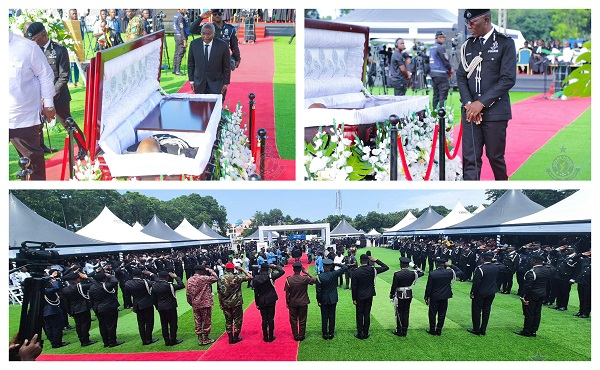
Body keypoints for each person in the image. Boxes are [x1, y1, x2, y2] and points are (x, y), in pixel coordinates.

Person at [456, 9, 516, 181]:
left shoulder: (505, 43)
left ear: (486, 20)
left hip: (495, 112)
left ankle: (504, 193)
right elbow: (461, 76)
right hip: (470, 113)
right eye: (467, 22)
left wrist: (480, 103)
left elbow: (508, 79)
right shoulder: (468, 45)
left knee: (495, 158)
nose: (469, 26)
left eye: (472, 22)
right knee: (470, 160)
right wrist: (469, 103)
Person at [25, 22, 88, 161]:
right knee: (37, 126)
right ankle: (41, 148)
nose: (32, 42)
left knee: (68, 123)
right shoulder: (34, 51)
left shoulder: (59, 50)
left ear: (43, 35)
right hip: (38, 97)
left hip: (59, 97)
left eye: (33, 39)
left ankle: (83, 147)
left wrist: (49, 96)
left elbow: (64, 76)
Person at [9, 29, 56, 180]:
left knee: (33, 165)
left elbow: (46, 75)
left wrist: (48, 105)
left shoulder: (27, 47)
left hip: (23, 118)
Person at [468, 252, 508, 336]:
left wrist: (472, 292)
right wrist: (495, 261)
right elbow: (504, 266)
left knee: (476, 311)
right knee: (486, 311)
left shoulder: (480, 268)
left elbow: (476, 283)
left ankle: (476, 329)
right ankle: (483, 329)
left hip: (480, 292)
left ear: (482, 259)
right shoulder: (496, 267)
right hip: (491, 292)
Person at [515, 254, 555, 337]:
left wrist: (522, 297)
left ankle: (526, 331)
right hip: (542, 293)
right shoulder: (547, 270)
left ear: (534, 261)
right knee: (537, 313)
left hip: (531, 295)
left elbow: (527, 286)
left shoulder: (531, 272)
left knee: (529, 313)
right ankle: (533, 331)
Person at [188, 23, 231, 100]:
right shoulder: (194, 44)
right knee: (200, 109)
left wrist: (225, 83)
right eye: (203, 34)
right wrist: (191, 81)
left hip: (217, 84)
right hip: (199, 84)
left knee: (215, 109)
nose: (206, 36)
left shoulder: (223, 45)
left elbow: (226, 66)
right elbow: (191, 64)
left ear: (214, 33)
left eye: (209, 34)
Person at [351, 253, 389, 339]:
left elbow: (354, 286)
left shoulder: (356, 271)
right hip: (369, 295)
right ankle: (366, 332)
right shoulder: (372, 270)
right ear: (368, 261)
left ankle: (360, 333)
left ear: (360, 261)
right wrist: (376, 260)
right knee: (367, 314)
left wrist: (354, 298)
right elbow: (386, 267)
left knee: (359, 314)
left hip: (359, 296)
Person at [424, 257, 463, 336]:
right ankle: (439, 330)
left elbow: (429, 287)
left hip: (434, 296)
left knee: (432, 313)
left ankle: (432, 329)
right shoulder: (449, 272)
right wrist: (451, 265)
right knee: (442, 313)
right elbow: (460, 272)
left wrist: (426, 297)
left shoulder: (433, 273)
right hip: (445, 296)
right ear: (444, 265)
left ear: (436, 264)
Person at [217, 263, 252, 344]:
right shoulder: (237, 277)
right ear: (233, 269)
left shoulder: (221, 278)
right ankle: (236, 337)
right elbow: (250, 277)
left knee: (228, 321)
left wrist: (221, 303)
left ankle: (230, 338)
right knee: (237, 320)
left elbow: (219, 293)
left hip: (225, 303)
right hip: (236, 303)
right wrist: (242, 269)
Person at [61, 270, 98, 346]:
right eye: (78, 278)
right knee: (85, 325)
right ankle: (85, 340)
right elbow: (95, 284)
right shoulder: (80, 286)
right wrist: (87, 277)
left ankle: (82, 339)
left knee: (78, 325)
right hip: (83, 307)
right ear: (75, 279)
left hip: (74, 309)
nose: (80, 279)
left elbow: (66, 302)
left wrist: (69, 312)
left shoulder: (65, 289)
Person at [389, 257, 424, 337]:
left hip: (400, 294)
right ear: (408, 265)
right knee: (406, 312)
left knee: (399, 313)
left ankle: (399, 330)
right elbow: (421, 272)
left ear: (401, 264)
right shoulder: (412, 273)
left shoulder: (397, 274)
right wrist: (415, 266)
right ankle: (404, 330)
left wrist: (391, 295)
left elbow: (394, 286)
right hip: (408, 294)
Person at [88, 269, 124, 347]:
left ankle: (106, 342)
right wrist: (110, 275)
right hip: (108, 307)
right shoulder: (105, 286)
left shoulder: (92, 287)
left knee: (102, 326)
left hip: (98, 308)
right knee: (111, 325)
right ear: (104, 279)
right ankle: (112, 341)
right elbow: (114, 281)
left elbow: (91, 300)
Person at [124, 268, 159, 345]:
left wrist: (130, 305)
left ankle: (144, 339)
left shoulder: (128, 283)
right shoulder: (144, 282)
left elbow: (127, 296)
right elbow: (157, 281)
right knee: (149, 322)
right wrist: (151, 274)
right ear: (141, 275)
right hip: (147, 304)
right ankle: (148, 338)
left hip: (136, 304)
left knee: (141, 323)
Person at [315, 258, 347, 339]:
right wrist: (336, 264)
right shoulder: (334, 274)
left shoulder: (319, 277)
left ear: (323, 266)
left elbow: (318, 291)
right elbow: (345, 267)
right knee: (332, 316)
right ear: (330, 266)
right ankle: (331, 333)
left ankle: (325, 333)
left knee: (324, 316)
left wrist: (318, 300)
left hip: (324, 299)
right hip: (333, 298)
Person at [186, 265, 219, 345]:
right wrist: (211, 271)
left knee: (198, 321)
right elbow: (216, 278)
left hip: (195, 304)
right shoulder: (204, 278)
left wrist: (191, 302)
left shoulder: (189, 280)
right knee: (206, 321)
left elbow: (188, 294)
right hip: (205, 303)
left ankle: (200, 339)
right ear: (201, 271)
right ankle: (206, 338)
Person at [284, 262, 316, 341]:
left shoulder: (289, 279)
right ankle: (301, 335)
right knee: (302, 319)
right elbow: (315, 280)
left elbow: (287, 293)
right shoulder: (304, 279)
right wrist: (307, 273)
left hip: (293, 302)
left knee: (293, 320)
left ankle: (295, 335)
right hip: (303, 302)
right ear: (301, 269)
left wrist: (287, 302)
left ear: (293, 269)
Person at [253, 263, 285, 342]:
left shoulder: (256, 278)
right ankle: (271, 336)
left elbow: (256, 292)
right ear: (268, 269)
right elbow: (282, 271)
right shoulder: (271, 276)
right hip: (271, 299)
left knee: (264, 319)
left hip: (261, 300)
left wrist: (257, 303)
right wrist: (274, 266)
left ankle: (265, 336)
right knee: (271, 318)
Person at [152, 270, 185, 346]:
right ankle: (173, 340)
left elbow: (153, 299)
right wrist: (176, 277)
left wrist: (157, 307)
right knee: (173, 324)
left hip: (161, 307)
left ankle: (166, 341)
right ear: (167, 277)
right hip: (170, 307)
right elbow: (181, 285)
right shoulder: (169, 285)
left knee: (164, 324)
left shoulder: (154, 286)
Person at [42, 274, 69, 348]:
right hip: (53, 311)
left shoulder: (39, 291)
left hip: (45, 312)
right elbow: (56, 288)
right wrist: (55, 281)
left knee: (49, 328)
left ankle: (53, 343)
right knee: (56, 328)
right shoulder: (47, 290)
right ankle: (58, 343)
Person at [429, 31, 453, 111]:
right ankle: (442, 113)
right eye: (440, 37)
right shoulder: (440, 48)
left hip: (433, 73)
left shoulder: (432, 48)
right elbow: (445, 61)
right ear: (436, 38)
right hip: (441, 73)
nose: (442, 39)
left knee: (436, 95)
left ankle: (434, 112)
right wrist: (450, 69)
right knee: (443, 95)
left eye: (443, 37)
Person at [573, 251, 591, 319]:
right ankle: (581, 311)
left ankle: (586, 313)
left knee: (588, 298)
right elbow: (574, 259)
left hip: (589, 282)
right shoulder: (585, 260)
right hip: (581, 281)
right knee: (581, 297)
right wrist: (582, 254)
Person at [172, 9, 190, 76]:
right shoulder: (180, 17)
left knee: (177, 52)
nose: (184, 9)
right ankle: (177, 70)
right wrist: (184, 40)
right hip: (180, 36)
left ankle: (175, 69)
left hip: (176, 35)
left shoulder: (176, 15)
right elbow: (182, 29)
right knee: (180, 53)